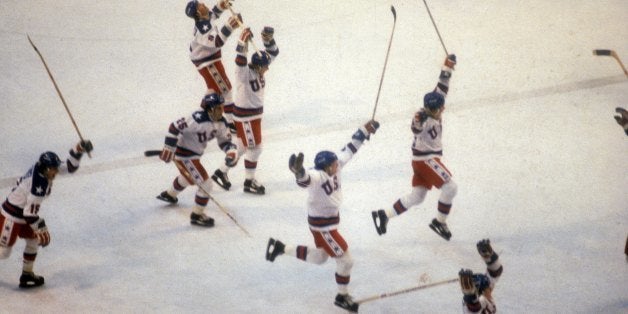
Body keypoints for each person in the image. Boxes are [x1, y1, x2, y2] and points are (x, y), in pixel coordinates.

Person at [265, 120, 380, 313]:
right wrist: (299, 172)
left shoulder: (335, 165)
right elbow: (304, 179)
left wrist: (363, 130)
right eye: (334, 165)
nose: (338, 165)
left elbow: (350, 148)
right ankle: (341, 296)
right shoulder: (317, 175)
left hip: (328, 222)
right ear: (326, 167)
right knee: (346, 260)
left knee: (319, 257)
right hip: (323, 226)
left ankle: (280, 248)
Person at [371, 54, 458, 241]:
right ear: (432, 110)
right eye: (439, 109)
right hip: (426, 161)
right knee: (450, 187)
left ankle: (384, 214)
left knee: (417, 196)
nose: (442, 110)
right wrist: (418, 121)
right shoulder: (423, 120)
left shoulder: (433, 106)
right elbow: (416, 128)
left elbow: (442, 87)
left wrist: (447, 68)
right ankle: (440, 221)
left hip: (420, 162)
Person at [0, 140, 93, 288]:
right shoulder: (40, 184)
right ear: (45, 169)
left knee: (33, 241)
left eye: (55, 168)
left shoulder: (44, 169)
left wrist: (79, 150)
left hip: (22, 215)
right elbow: (29, 214)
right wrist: (41, 227)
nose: (56, 171)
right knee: (3, 253)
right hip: (11, 217)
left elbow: (69, 167)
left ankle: (27, 274)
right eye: (53, 169)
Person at [211, 26, 279, 195]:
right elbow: (239, 60)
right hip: (246, 117)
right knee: (255, 148)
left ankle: (221, 172)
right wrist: (243, 41)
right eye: (265, 67)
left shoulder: (259, 64)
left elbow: (274, 54)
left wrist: (267, 40)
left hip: (252, 116)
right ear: (257, 67)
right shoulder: (244, 73)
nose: (267, 69)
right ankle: (249, 181)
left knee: (241, 146)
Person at [156, 93, 239, 227]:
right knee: (206, 184)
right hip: (184, 155)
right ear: (209, 108)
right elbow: (174, 127)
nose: (221, 111)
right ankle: (197, 215)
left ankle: (169, 194)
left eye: (222, 107)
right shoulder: (196, 119)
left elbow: (225, 142)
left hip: (194, 155)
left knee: (189, 178)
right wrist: (168, 148)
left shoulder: (221, 123)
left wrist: (231, 153)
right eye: (218, 108)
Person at [185, 0, 241, 132]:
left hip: (210, 60)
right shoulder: (202, 29)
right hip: (208, 62)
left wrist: (222, 5)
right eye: (200, 5)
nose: (203, 4)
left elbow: (214, 14)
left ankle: (200, 118)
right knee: (225, 90)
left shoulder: (205, 18)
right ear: (198, 13)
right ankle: (231, 123)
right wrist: (231, 25)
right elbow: (217, 41)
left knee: (215, 90)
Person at [458, 239, 503, 313]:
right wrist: (489, 257)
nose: (490, 288)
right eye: (487, 288)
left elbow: (474, 306)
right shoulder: (484, 298)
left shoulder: (481, 299)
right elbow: (495, 273)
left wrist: (469, 292)